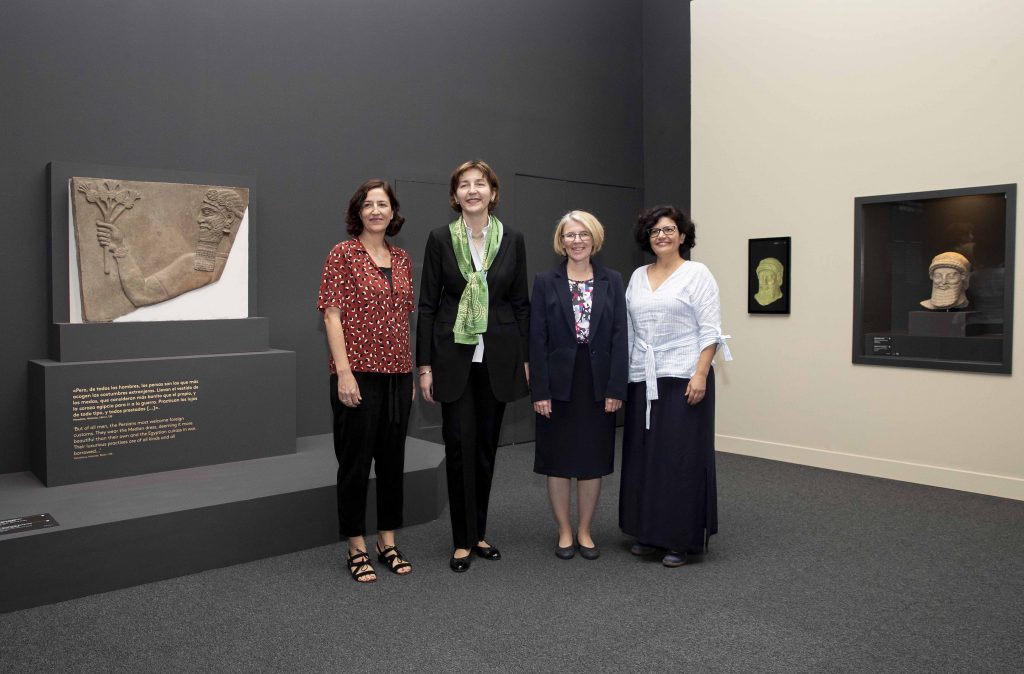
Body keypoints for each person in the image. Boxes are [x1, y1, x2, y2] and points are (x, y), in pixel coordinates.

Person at [417, 160, 530, 573]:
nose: (472, 190)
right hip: (453, 359)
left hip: (497, 360)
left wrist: (526, 358)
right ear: (455, 195)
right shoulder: (439, 239)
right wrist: (424, 365)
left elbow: (520, 303)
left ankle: (479, 532)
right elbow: (427, 305)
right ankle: (462, 541)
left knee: (484, 451)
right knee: (460, 449)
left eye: (479, 184)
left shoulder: (512, 239)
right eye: (463, 185)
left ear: (492, 193)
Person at [620, 205, 731, 568]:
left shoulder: (697, 274)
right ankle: (647, 532)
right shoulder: (638, 276)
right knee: (646, 456)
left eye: (669, 229)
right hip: (644, 376)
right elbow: (630, 330)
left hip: (685, 376)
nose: (662, 236)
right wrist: (626, 377)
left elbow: (710, 329)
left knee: (679, 458)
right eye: (655, 231)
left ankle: (680, 540)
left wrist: (701, 373)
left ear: (683, 236)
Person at [317, 179, 415, 583]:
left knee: (392, 462)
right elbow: (331, 315)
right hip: (356, 374)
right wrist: (344, 373)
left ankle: (386, 540)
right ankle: (356, 545)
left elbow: (403, 320)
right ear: (358, 212)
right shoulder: (342, 254)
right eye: (369, 204)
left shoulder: (403, 259)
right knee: (355, 464)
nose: (376, 211)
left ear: (393, 212)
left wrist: (409, 373)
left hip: (398, 376)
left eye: (383, 204)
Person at [530, 210, 627, 560]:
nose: (577, 240)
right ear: (561, 241)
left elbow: (620, 336)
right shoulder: (545, 281)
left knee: (591, 459)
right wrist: (540, 390)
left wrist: (616, 388)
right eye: (570, 235)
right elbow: (536, 338)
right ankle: (564, 531)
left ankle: (585, 530)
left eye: (583, 234)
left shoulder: (612, 280)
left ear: (594, 238)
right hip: (558, 382)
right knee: (557, 459)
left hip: (597, 381)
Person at [96, 188, 245, 306]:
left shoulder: (194, 264)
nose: (199, 219)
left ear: (229, 219)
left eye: (207, 213)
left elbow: (141, 294)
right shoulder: (237, 264)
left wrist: (120, 248)